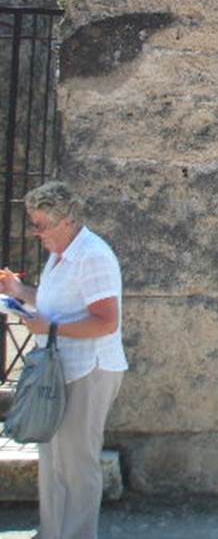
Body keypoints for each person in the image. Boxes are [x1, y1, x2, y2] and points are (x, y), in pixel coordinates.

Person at [0, 181, 127, 539]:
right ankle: (52, 533)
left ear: (67, 221)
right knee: (53, 461)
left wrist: (50, 327)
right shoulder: (61, 255)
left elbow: (106, 321)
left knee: (77, 463)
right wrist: (18, 293)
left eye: (42, 225)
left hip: (89, 369)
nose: (36, 233)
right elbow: (55, 302)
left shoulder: (93, 256)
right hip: (61, 369)